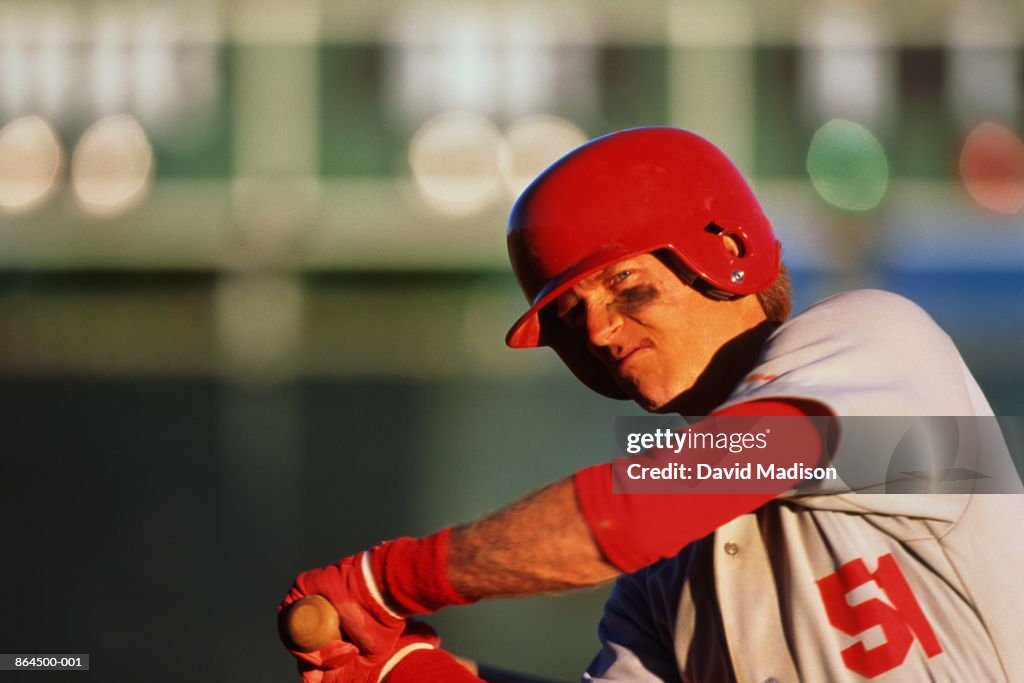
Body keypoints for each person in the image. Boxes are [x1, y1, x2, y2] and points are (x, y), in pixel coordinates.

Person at [278, 127, 1024, 682]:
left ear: (727, 249)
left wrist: (393, 579)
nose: (599, 330)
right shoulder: (669, 572)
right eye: (572, 315)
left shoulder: (876, 342)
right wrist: (412, 674)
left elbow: (658, 498)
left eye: (627, 287)